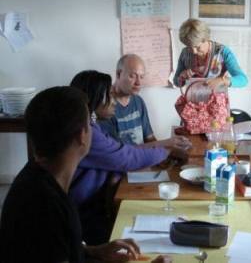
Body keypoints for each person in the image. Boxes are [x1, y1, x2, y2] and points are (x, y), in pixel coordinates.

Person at [0, 86, 171, 263]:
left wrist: (93, 251)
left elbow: (57, 248)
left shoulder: (36, 177)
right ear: (82, 135)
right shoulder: (47, 206)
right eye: (91, 123)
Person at [70, 70, 188, 245]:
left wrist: (161, 151)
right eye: (108, 95)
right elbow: (125, 157)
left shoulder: (92, 125)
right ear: (94, 99)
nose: (113, 101)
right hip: (83, 208)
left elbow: (120, 153)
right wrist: (166, 150)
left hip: (92, 200)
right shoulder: (87, 132)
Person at [99, 54, 191, 150]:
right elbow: (119, 154)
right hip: (123, 163)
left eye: (142, 77)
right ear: (118, 74)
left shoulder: (138, 101)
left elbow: (150, 139)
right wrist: (167, 143)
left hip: (142, 160)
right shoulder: (104, 107)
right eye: (132, 76)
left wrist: (170, 148)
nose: (138, 83)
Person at [173, 18, 248, 89]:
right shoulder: (185, 53)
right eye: (189, 46)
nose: (194, 51)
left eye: (197, 47)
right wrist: (181, 76)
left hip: (216, 99)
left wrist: (223, 80)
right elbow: (176, 82)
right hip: (192, 99)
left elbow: (243, 80)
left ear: (206, 39)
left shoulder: (222, 52)